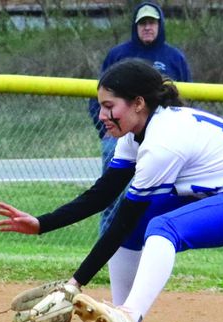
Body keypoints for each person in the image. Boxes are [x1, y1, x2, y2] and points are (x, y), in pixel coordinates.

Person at [0, 59, 223, 322]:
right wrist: (42, 223)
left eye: (109, 105)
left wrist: (73, 285)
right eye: (100, 106)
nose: (102, 115)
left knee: (161, 226)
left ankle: (126, 319)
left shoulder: (162, 143)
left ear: (138, 103)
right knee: (141, 223)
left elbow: (120, 220)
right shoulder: (134, 134)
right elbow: (103, 195)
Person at [88, 1, 192, 235]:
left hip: (163, 139)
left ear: (160, 25)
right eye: (143, 23)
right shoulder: (119, 54)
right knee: (112, 197)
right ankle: (109, 251)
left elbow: (185, 97)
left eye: (152, 23)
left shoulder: (174, 57)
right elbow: (100, 94)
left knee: (156, 199)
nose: (147, 27)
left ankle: (149, 246)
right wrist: (103, 128)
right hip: (118, 136)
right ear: (135, 26)